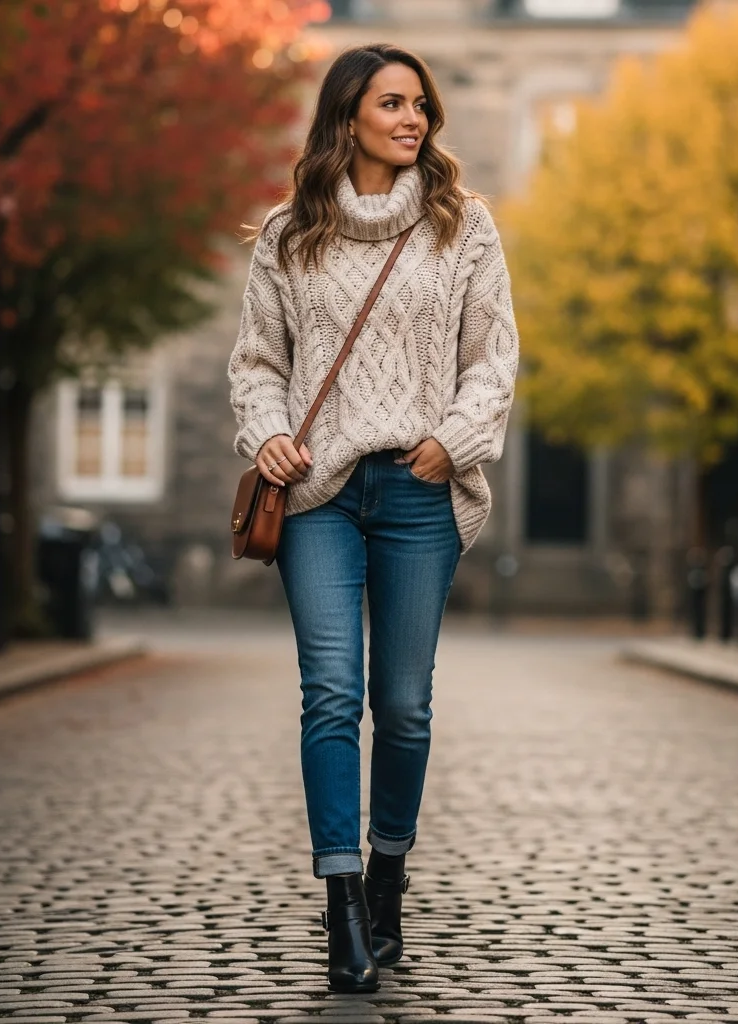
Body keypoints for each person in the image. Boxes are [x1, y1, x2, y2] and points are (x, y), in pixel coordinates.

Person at [228, 42, 518, 993]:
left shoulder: (463, 227)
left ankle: (390, 870)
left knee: (403, 706)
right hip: (316, 496)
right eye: (392, 103)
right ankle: (342, 900)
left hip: (418, 493)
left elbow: (493, 359)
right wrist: (266, 433)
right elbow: (258, 363)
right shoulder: (287, 234)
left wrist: (457, 439)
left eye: (421, 105)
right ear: (346, 115)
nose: (414, 119)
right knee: (328, 695)